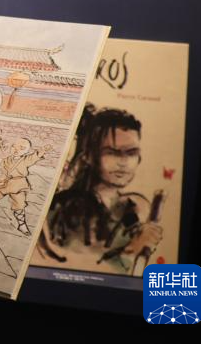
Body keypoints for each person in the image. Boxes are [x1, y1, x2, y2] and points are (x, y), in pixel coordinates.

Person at [36, 104, 163, 275]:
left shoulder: (136, 208)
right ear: (88, 156)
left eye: (131, 153)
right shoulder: (61, 209)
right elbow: (71, 269)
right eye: (111, 152)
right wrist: (132, 250)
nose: (123, 162)